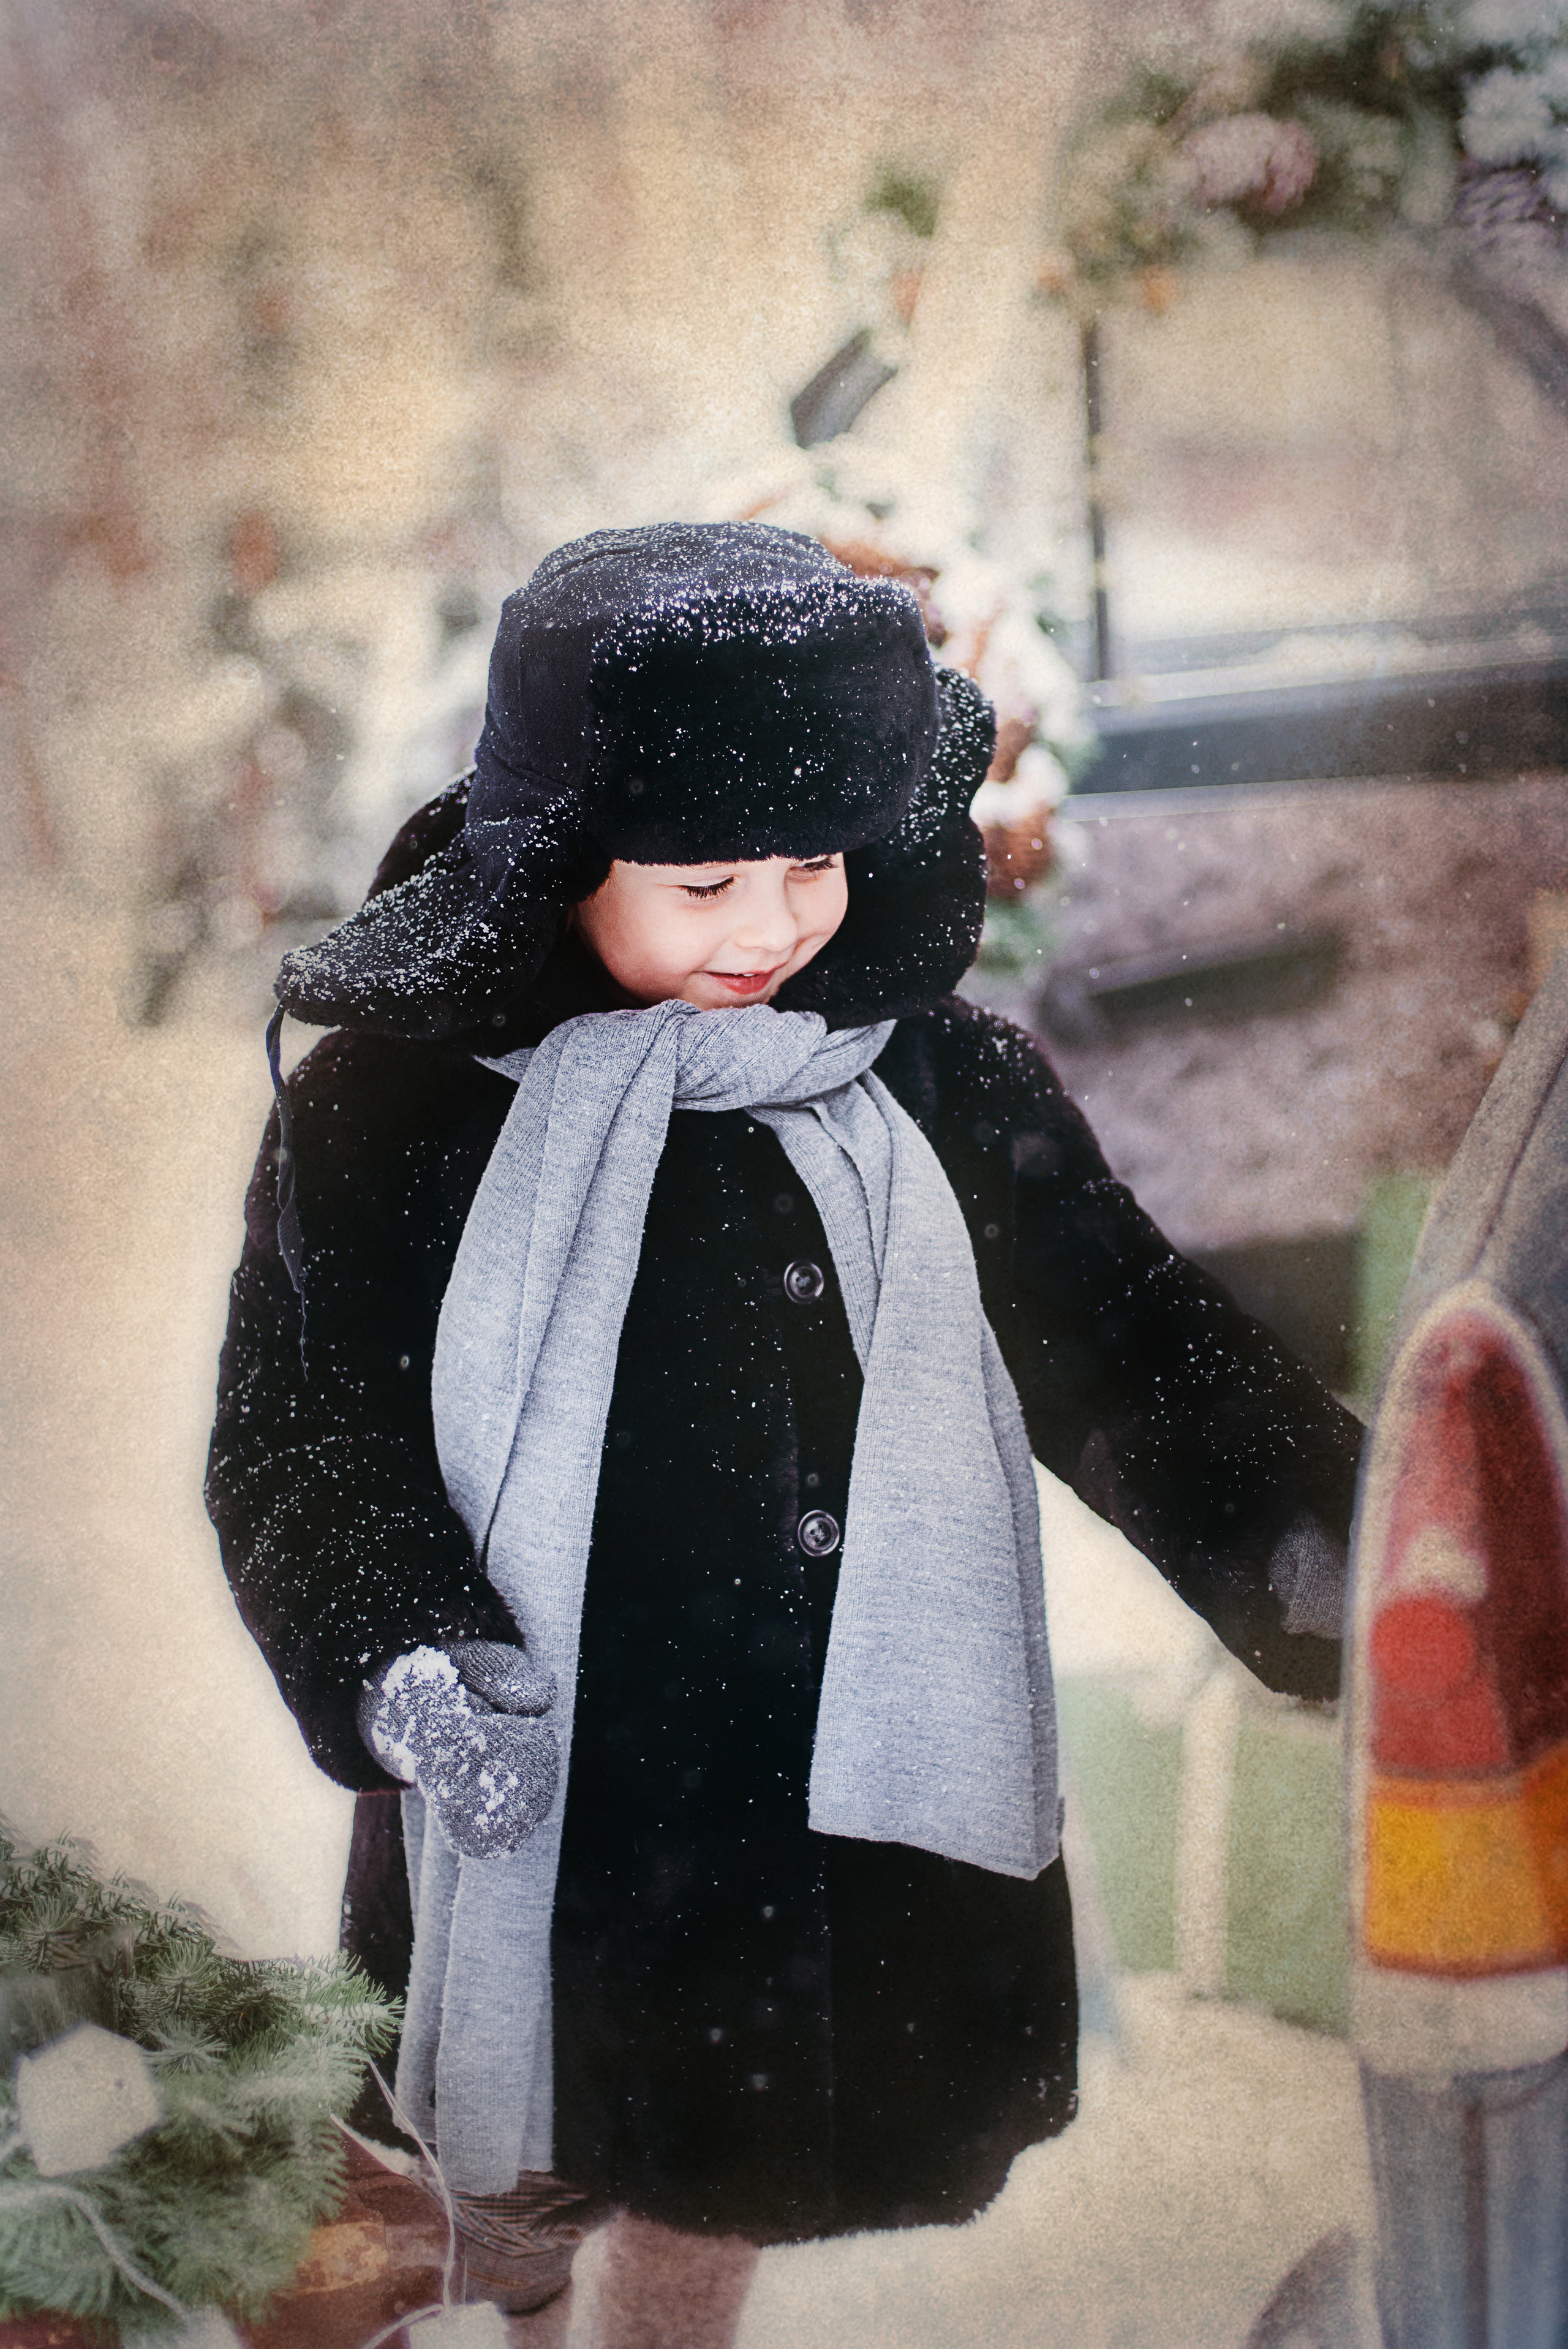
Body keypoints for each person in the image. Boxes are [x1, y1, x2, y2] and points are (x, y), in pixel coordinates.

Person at [205, 522, 1360, 2348]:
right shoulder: (402, 1118)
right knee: (479, 2181)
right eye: (706, 881)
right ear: (562, 861)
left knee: (711, 2178)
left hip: (797, 1817)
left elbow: (1128, 1334)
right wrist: (397, 1653)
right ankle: (478, 2273)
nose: (772, 930)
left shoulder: (921, 1075)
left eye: (814, 863)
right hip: (541, 1795)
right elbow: (299, 1431)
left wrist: (1321, 1541)